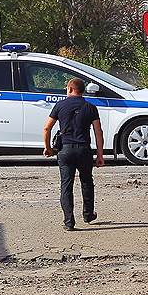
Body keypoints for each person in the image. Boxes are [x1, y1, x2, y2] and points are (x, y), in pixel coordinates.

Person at [42, 77, 105, 231]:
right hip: (84, 150)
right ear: (82, 91)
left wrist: (48, 148)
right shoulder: (90, 107)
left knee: (66, 185)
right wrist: (100, 155)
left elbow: (46, 128)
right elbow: (98, 132)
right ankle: (88, 214)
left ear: (70, 89)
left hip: (65, 150)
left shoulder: (60, 105)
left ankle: (69, 222)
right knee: (87, 182)